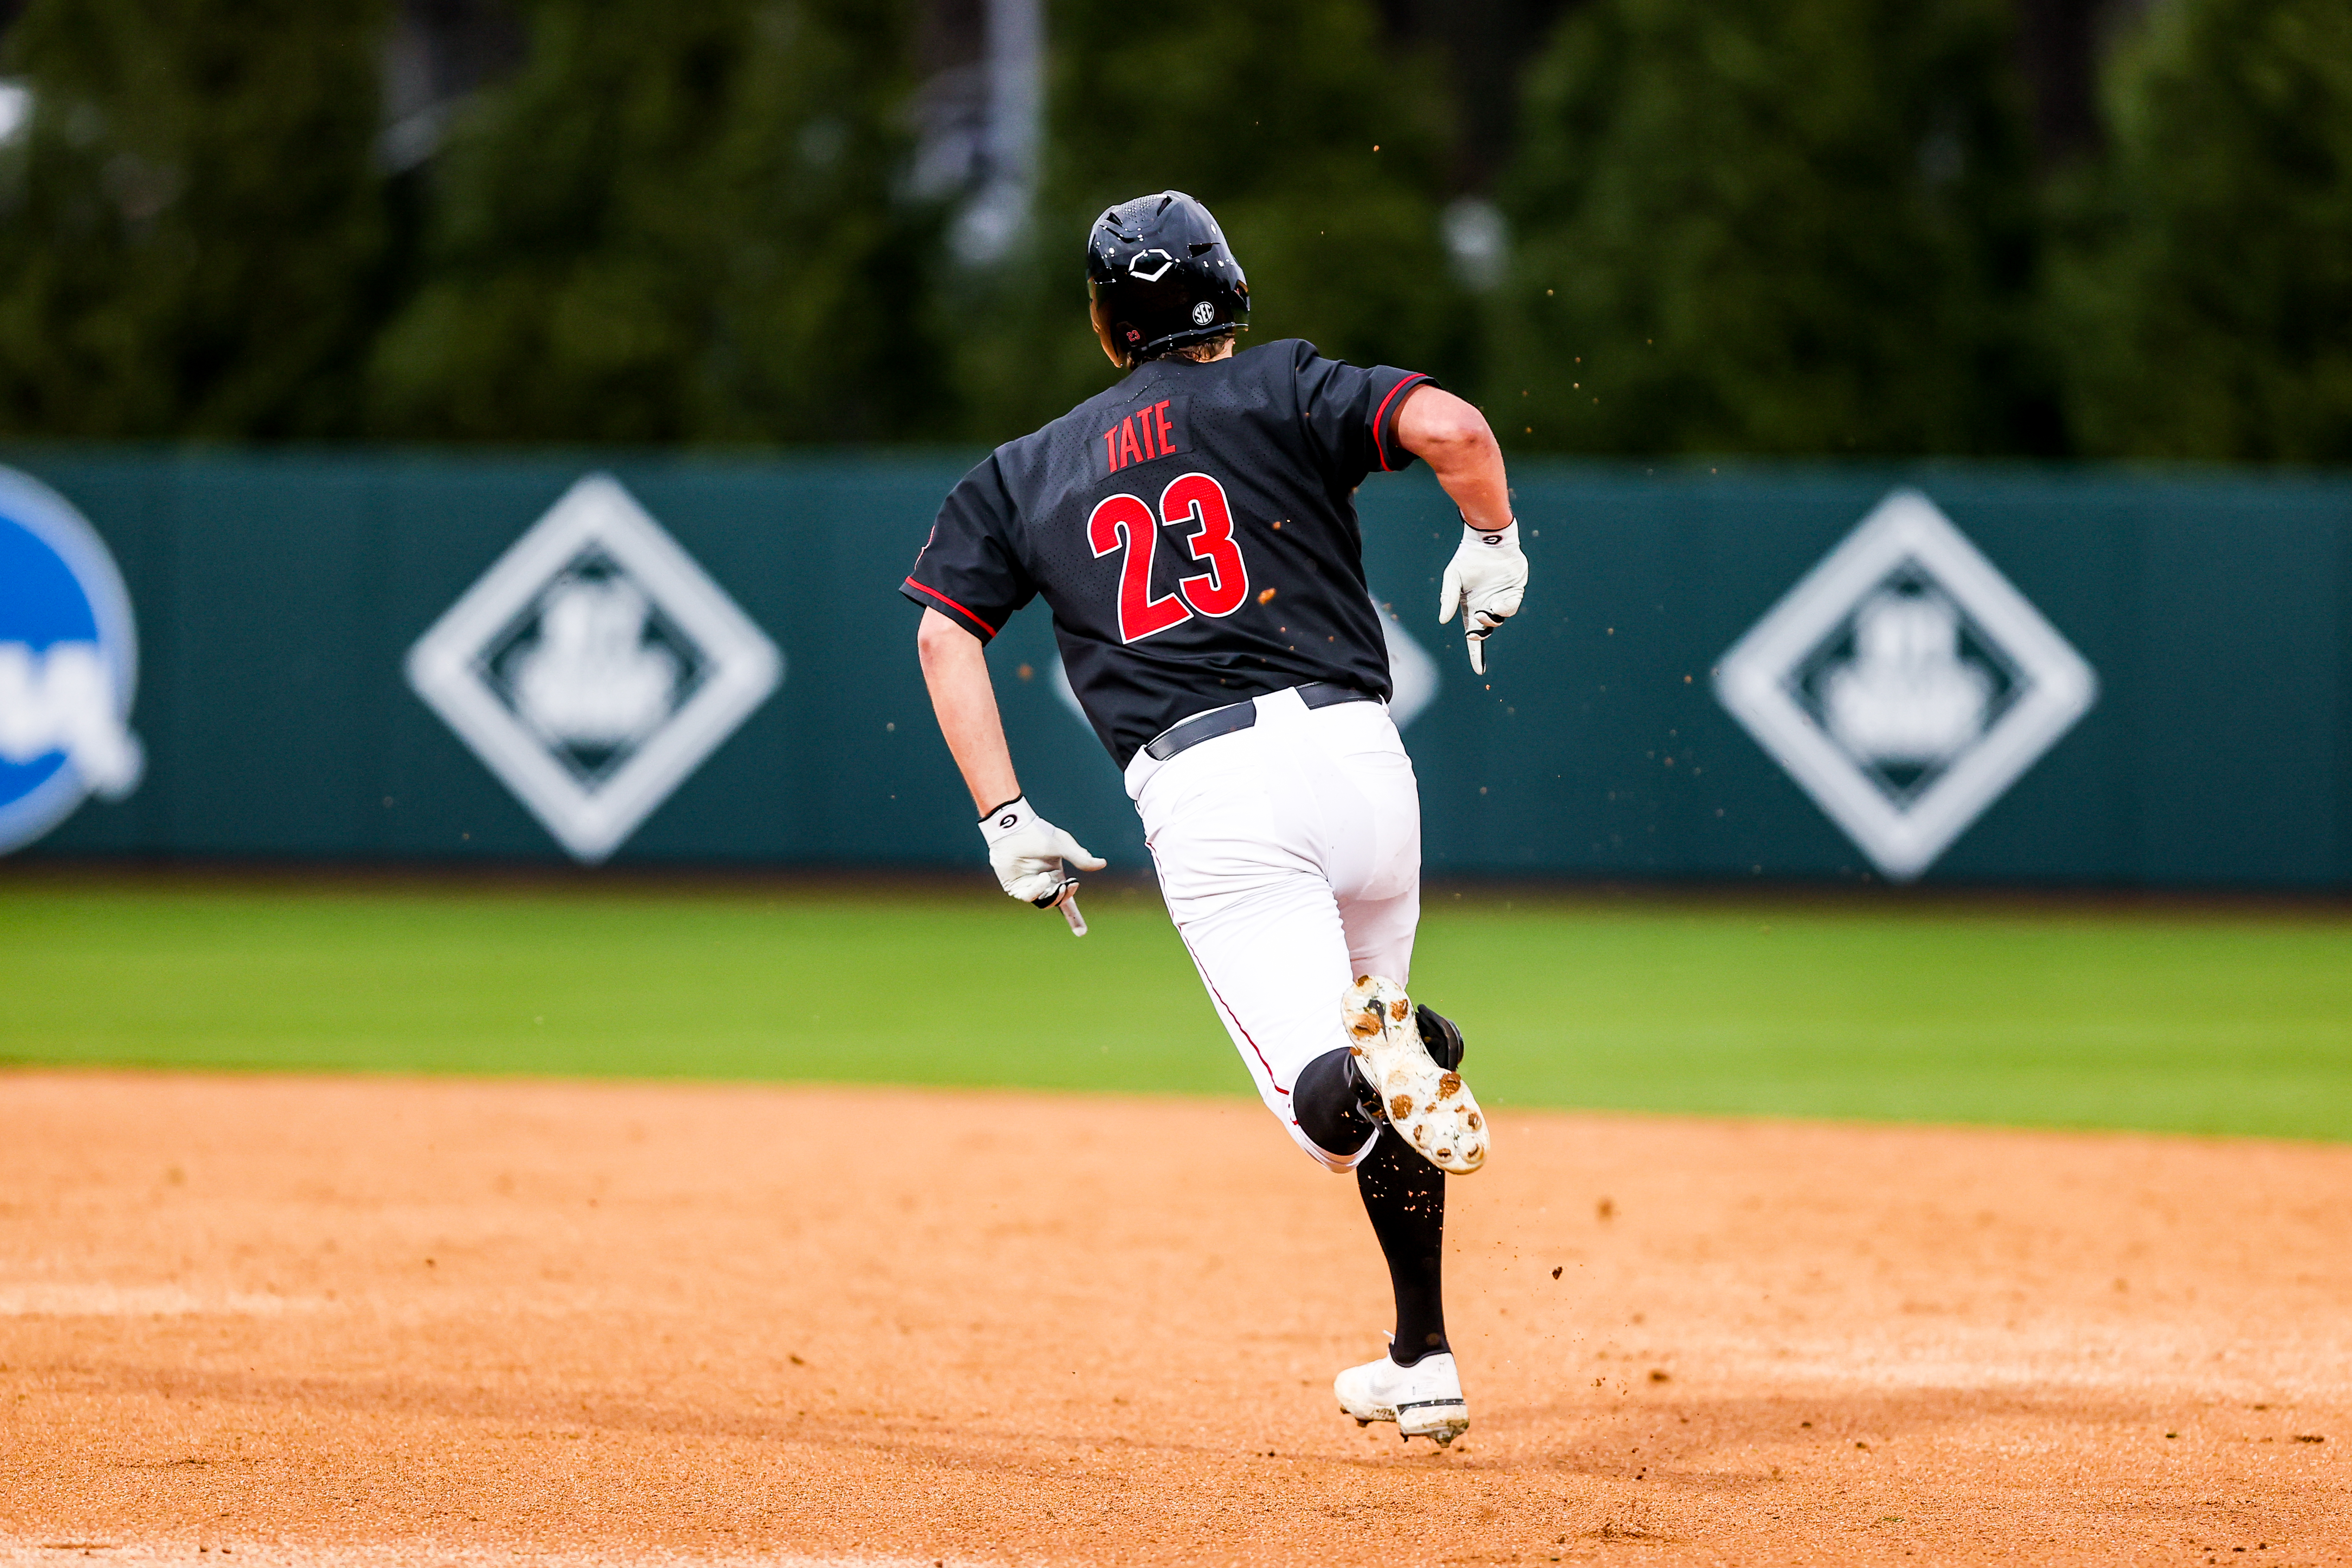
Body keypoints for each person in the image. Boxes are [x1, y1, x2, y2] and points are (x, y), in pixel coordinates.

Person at [902, 191, 1529, 1446]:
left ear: (1103, 323)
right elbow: (1454, 425)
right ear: (1231, 297)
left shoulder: (1024, 471)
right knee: (1384, 1049)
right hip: (1363, 757)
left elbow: (942, 631)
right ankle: (1425, 1354)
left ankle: (1398, 1055)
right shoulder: (1289, 383)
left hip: (1213, 792)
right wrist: (1494, 536)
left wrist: (1005, 814)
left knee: (1327, 1105)